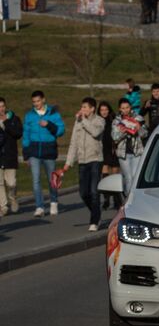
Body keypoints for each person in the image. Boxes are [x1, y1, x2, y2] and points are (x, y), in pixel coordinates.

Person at [62, 97, 105, 231]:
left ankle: (94, 221)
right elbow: (73, 142)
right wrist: (68, 162)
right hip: (82, 160)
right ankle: (96, 212)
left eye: (85, 107)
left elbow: (95, 132)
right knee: (83, 193)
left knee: (93, 191)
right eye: (82, 107)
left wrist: (84, 120)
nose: (82, 109)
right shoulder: (78, 122)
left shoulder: (99, 120)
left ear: (92, 108)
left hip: (95, 159)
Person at [22, 90, 65, 217]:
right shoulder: (29, 115)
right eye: (34, 102)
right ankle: (39, 206)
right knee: (36, 180)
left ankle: (53, 202)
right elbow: (26, 135)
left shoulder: (53, 113)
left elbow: (60, 131)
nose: (36, 104)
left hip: (49, 151)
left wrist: (48, 124)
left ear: (43, 100)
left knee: (52, 180)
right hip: (34, 152)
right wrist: (26, 154)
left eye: (38, 101)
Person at [112, 98, 147, 195]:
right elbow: (114, 137)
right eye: (123, 108)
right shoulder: (116, 121)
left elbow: (145, 134)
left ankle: (134, 198)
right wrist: (123, 132)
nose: (125, 110)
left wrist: (139, 129)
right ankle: (128, 199)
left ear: (130, 107)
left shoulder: (138, 118)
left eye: (127, 107)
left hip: (136, 152)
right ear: (120, 109)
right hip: (123, 155)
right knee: (128, 178)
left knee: (135, 177)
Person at [0, 97, 23, 217]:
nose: (1, 109)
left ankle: (12, 197)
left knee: (11, 183)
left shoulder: (14, 118)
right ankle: (3, 207)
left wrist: (6, 122)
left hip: (10, 156)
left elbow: (18, 133)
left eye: (3, 106)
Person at [98, 101, 122, 211]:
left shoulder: (114, 119)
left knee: (115, 174)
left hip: (113, 149)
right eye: (102, 110)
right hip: (102, 149)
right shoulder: (98, 120)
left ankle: (117, 200)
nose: (104, 112)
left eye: (106, 110)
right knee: (105, 173)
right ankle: (106, 199)